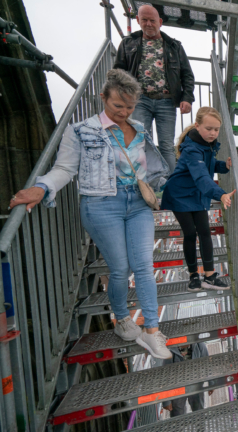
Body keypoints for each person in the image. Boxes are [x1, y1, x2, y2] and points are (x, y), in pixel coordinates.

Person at [9, 69, 172, 359]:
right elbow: (64, 169)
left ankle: (151, 331)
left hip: (138, 204)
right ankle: (122, 319)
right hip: (101, 205)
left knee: (144, 265)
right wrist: (42, 187)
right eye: (117, 106)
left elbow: (151, 170)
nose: (123, 112)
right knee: (121, 269)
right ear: (103, 98)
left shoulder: (140, 129)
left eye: (129, 107)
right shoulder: (81, 130)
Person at [160, 107, 235, 291]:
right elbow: (201, 176)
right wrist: (220, 194)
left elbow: (208, 166)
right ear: (197, 126)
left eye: (216, 129)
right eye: (209, 128)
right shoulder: (192, 148)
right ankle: (194, 276)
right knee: (191, 234)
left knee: (205, 232)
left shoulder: (207, 144)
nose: (213, 133)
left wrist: (224, 166)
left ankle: (209, 276)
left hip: (197, 192)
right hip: (180, 194)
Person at [115, 4, 195, 173]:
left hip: (166, 100)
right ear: (138, 20)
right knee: (141, 142)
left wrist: (187, 98)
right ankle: (145, 187)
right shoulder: (128, 44)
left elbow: (187, 74)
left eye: (152, 20)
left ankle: (171, 187)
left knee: (166, 145)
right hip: (139, 100)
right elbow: (118, 73)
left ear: (160, 22)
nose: (149, 24)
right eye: (144, 20)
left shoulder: (174, 46)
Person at [161, 343, 213, 417]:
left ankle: (201, 428)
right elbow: (165, 376)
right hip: (178, 390)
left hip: (196, 386)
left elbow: (207, 365)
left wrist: (212, 382)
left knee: (199, 413)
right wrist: (166, 401)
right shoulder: (170, 351)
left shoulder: (199, 345)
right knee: (177, 416)